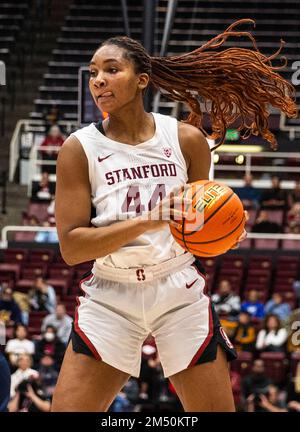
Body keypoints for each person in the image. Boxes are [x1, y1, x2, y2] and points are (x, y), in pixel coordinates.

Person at [51, 21, 296, 412]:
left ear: (142, 79)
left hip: (177, 289)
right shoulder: (79, 149)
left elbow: (201, 221)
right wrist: (152, 219)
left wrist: (226, 231)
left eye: (112, 69)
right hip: (111, 295)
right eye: (94, 72)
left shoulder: (186, 139)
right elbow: (72, 247)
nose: (98, 79)